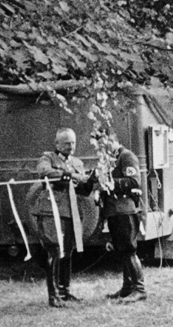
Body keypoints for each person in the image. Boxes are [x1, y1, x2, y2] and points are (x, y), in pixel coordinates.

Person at [29, 127, 96, 307]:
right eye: (66, 143)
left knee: (68, 251)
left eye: (73, 143)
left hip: (71, 212)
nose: (70, 146)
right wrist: (72, 176)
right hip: (51, 211)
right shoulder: (48, 158)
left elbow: (82, 190)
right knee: (54, 250)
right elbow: (44, 172)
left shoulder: (77, 163)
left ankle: (65, 290)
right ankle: (53, 295)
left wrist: (91, 180)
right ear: (57, 143)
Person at [98, 131, 147, 303]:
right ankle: (127, 288)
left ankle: (139, 289)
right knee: (122, 249)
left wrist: (114, 184)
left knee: (128, 249)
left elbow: (134, 181)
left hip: (125, 210)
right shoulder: (108, 161)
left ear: (114, 141)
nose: (103, 148)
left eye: (105, 144)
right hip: (113, 211)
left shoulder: (126, 157)